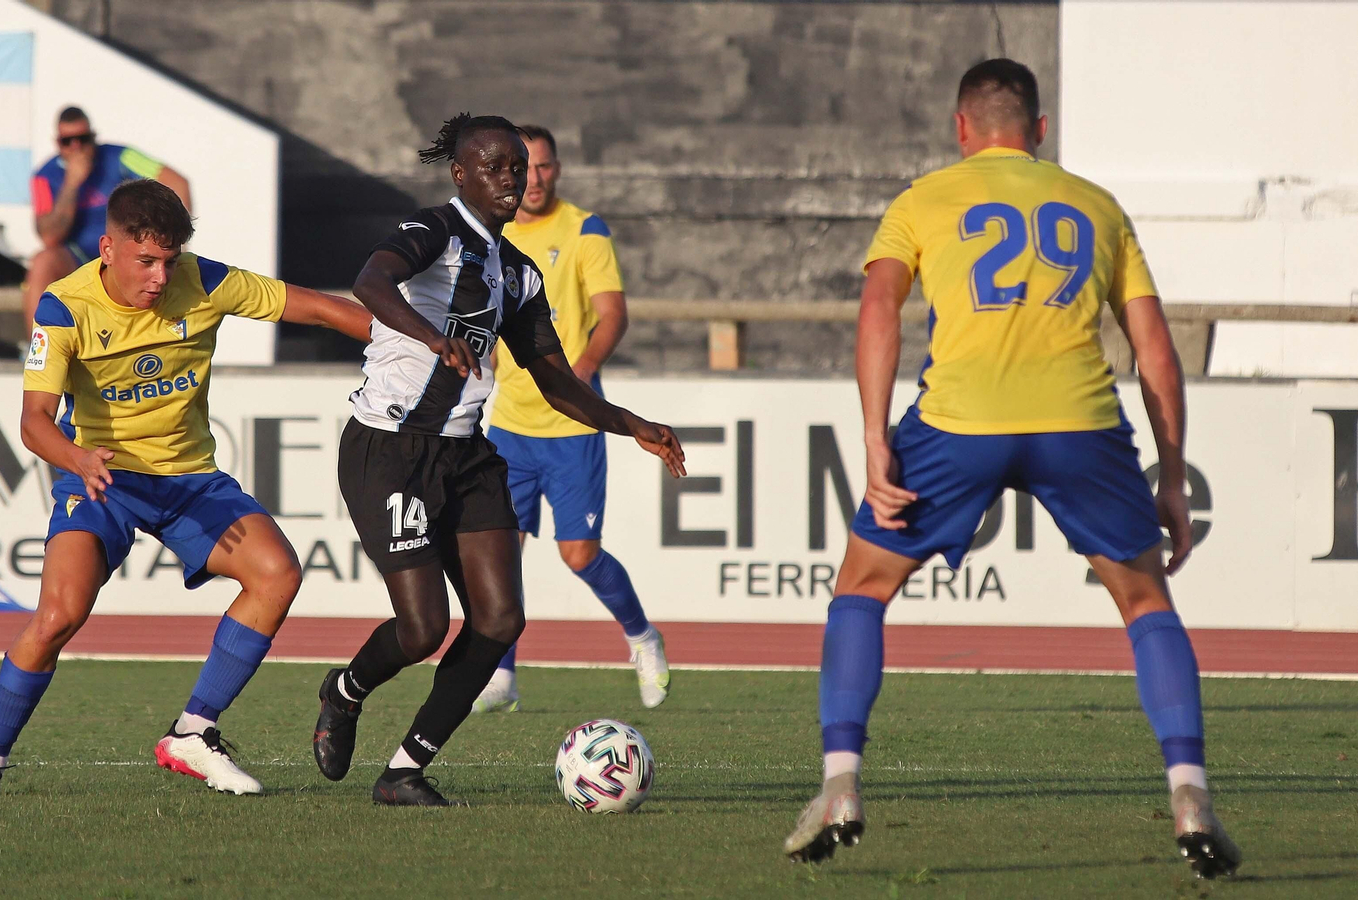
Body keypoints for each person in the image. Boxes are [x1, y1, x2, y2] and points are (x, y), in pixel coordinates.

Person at [782, 59, 1241, 879]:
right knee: (1144, 600)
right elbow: (1156, 352)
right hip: (1080, 423)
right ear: (1038, 129)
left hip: (960, 423)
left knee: (861, 589)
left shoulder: (923, 200)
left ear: (962, 130)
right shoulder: (1097, 206)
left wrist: (876, 436)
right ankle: (1189, 790)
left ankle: (841, 783)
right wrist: (1171, 476)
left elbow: (879, 307)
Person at [0, 179, 372, 799]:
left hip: (188, 478)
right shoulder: (64, 306)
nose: (161, 277)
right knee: (59, 615)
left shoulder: (206, 280)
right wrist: (78, 458)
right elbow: (34, 422)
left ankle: (193, 732)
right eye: (146, 261)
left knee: (276, 574)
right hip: (101, 476)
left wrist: (414, 341)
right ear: (107, 249)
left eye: (169, 261)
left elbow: (323, 308)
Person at [311, 114, 686, 807]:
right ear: (460, 174)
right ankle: (345, 689)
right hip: (389, 451)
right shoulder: (432, 231)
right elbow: (371, 281)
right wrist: (432, 337)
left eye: (517, 166)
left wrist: (635, 425)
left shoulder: (516, 273)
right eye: (494, 166)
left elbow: (556, 381)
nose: (510, 178)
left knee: (498, 621)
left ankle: (403, 772)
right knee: (421, 629)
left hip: (466, 457)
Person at [471, 124, 667, 714]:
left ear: (558, 170)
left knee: (578, 554)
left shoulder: (585, 230)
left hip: (572, 427)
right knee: (501, 552)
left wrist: (578, 375)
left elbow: (612, 314)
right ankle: (501, 675)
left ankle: (642, 637)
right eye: (523, 168)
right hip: (509, 425)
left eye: (545, 168)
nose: (533, 180)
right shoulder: (489, 235)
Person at [22, 106, 191, 328]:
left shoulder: (121, 156)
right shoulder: (44, 177)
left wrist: (173, 239)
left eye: (83, 139)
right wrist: (72, 183)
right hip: (78, 258)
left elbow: (177, 183)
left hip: (127, 253)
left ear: (93, 137)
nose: (77, 147)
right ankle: (39, 344)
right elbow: (49, 237)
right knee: (42, 261)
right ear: (58, 143)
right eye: (68, 141)